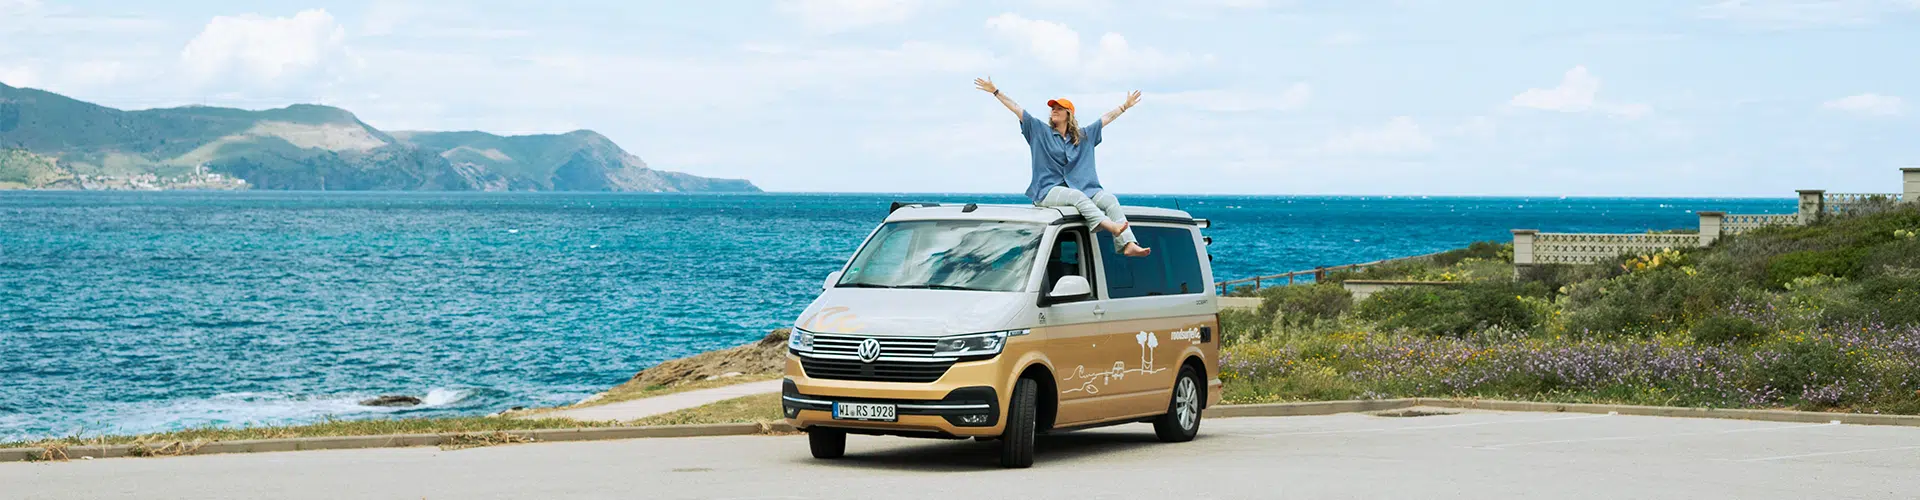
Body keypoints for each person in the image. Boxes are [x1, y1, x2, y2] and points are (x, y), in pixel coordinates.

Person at [974, 77, 1151, 257]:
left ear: (1069, 114)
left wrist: (1124, 106)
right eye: (1053, 109)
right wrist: (996, 92)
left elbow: (1105, 118)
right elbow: (1017, 109)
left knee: (1109, 199)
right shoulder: (1039, 130)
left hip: (1084, 189)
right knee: (1076, 196)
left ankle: (1128, 243)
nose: (1054, 111)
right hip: (1047, 191)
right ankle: (1107, 225)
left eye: (1059, 109)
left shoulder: (1084, 136)